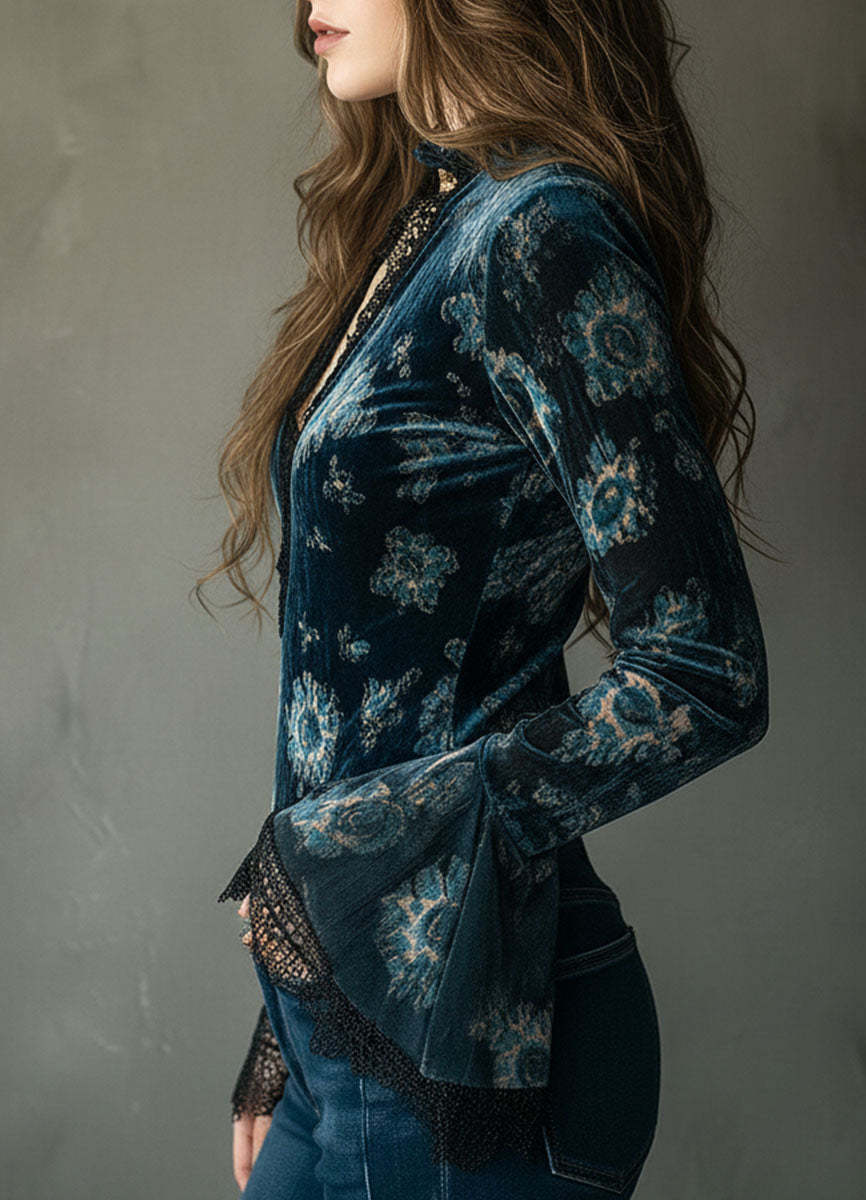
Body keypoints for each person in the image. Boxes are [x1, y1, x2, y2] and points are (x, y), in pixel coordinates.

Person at [193, 0, 770, 1194]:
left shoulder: (543, 230)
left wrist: (334, 867)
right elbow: (356, 692)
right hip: (358, 1019)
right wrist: (292, 1003)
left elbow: (704, 671)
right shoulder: (434, 220)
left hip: (481, 1023)